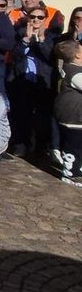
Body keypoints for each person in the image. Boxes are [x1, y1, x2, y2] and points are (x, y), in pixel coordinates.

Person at [7, 5, 56, 157]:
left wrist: (41, 40)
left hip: (42, 81)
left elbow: (50, 57)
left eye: (40, 17)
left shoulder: (52, 36)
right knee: (21, 114)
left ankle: (40, 148)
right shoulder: (19, 34)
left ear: (45, 19)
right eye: (32, 17)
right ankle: (20, 145)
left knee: (42, 116)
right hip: (22, 79)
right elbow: (15, 54)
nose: (36, 20)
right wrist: (26, 40)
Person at [52, 39, 82, 186]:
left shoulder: (71, 68)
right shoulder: (74, 72)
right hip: (73, 117)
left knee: (78, 147)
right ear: (78, 55)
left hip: (75, 116)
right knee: (74, 147)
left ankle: (77, 169)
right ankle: (70, 174)